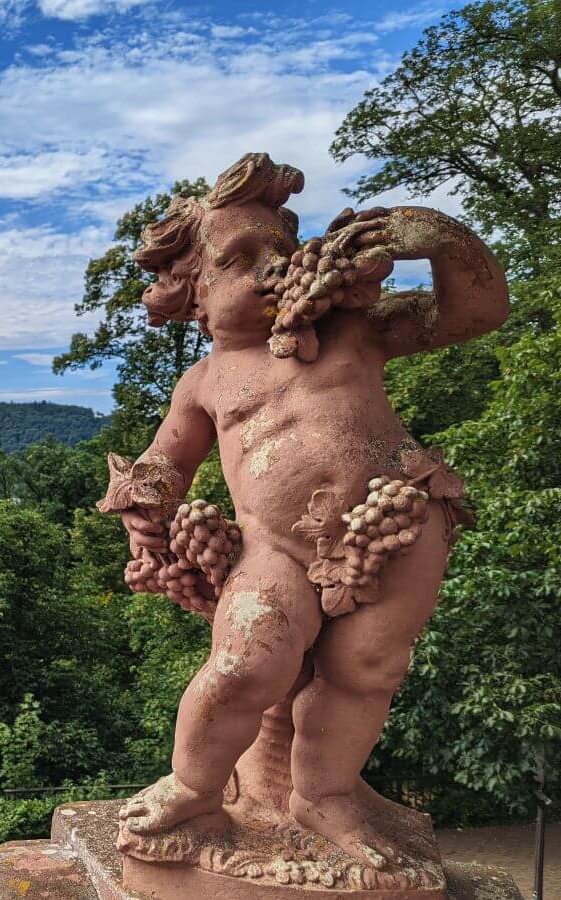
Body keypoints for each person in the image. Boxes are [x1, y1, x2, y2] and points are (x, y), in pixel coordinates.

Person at [103, 153, 509, 870]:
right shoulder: (206, 380)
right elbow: (166, 459)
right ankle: (193, 786)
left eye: (282, 249)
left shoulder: (356, 329)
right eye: (239, 258)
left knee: (367, 669)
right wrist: (144, 507)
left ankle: (324, 793)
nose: (274, 267)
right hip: (275, 549)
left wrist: (438, 238)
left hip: (398, 520)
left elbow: (475, 312)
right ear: (194, 295)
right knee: (243, 666)